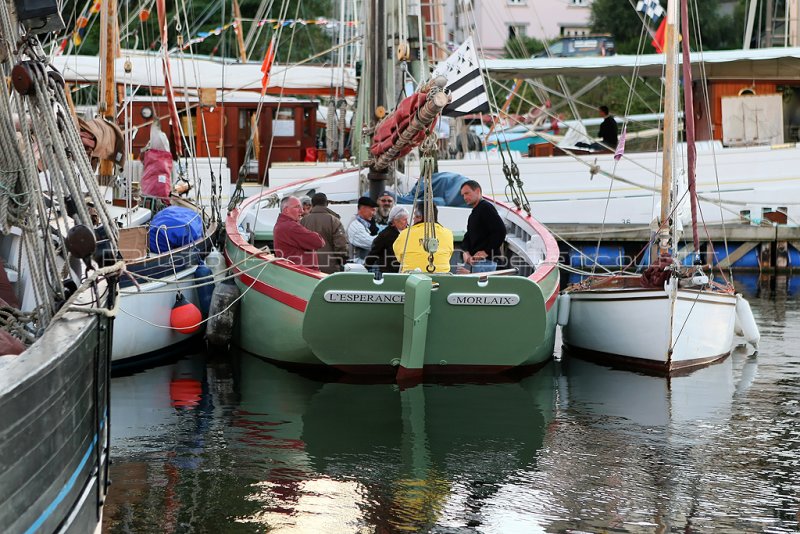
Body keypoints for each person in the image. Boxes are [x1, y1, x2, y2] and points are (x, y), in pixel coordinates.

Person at [459, 180, 507, 273]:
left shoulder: (486, 208)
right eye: (463, 195)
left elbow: (500, 231)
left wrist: (486, 251)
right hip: (479, 263)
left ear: (477, 191)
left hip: (487, 263)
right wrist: (466, 253)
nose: (464, 197)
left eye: (467, 193)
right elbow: (468, 236)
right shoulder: (474, 213)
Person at [393, 204, 454, 273]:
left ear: (419, 217)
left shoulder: (405, 234)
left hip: (411, 280)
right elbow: (448, 255)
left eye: (415, 216)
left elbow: (399, 257)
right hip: (442, 279)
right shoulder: (448, 234)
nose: (413, 219)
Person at [300, 192, 348, 274]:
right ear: (327, 203)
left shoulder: (303, 221)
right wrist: (342, 261)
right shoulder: (334, 221)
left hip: (308, 267)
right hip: (330, 267)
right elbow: (341, 246)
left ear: (312, 204)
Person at [273, 196, 325, 269]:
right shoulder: (291, 227)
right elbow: (318, 242)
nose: (302, 211)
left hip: (293, 271)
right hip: (304, 273)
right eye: (297, 207)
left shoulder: (281, 224)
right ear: (286, 210)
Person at [365, 206, 409, 273]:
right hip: (389, 272)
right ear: (395, 221)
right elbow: (374, 252)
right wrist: (365, 268)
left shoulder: (408, 232)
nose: (407, 222)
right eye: (404, 220)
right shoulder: (385, 235)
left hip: (405, 269)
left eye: (407, 219)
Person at [347, 196, 379, 262]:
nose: (373, 214)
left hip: (360, 266)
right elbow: (370, 242)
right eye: (372, 210)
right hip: (356, 267)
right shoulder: (355, 226)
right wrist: (385, 237)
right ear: (363, 208)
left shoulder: (362, 224)